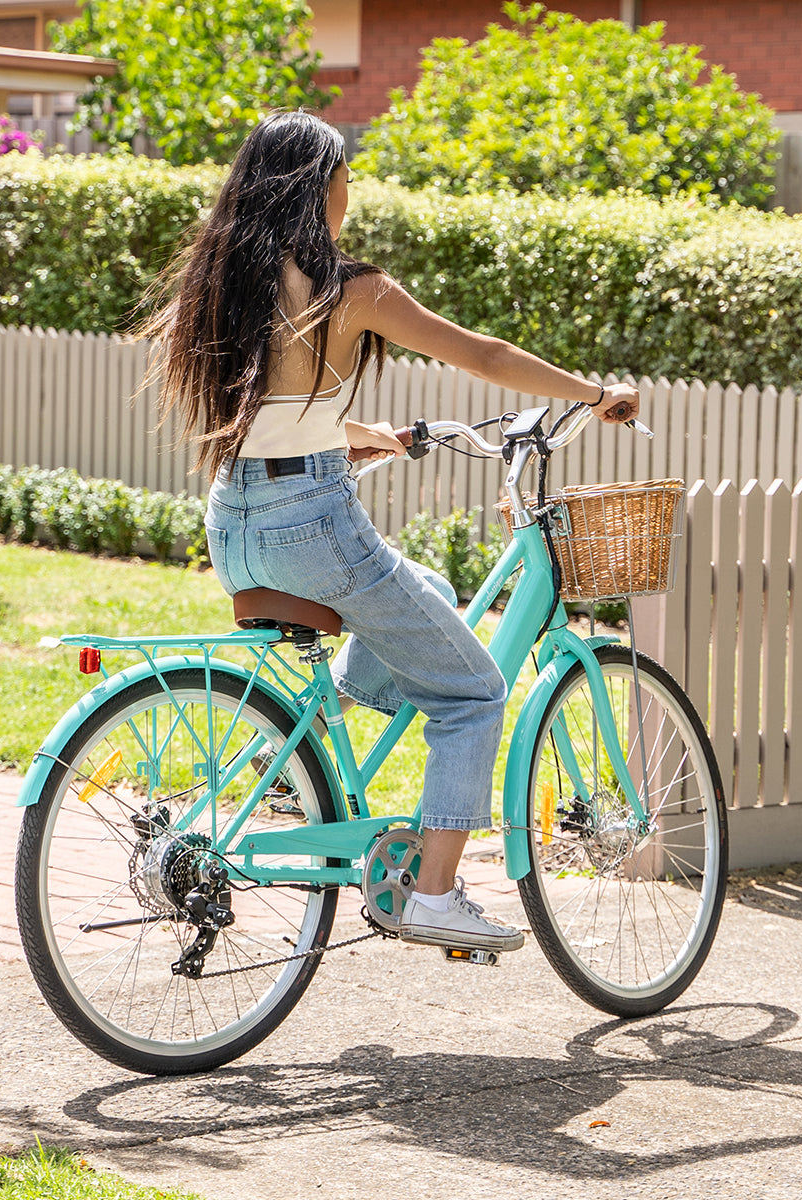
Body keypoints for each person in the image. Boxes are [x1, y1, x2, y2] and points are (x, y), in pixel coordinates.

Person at [139, 110, 639, 953]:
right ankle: (433, 895)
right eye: (344, 176)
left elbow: (275, 412)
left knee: (432, 594)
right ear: (322, 188)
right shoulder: (351, 289)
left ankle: (292, 764)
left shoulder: (226, 279)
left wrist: (357, 432)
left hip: (234, 521)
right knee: (473, 692)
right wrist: (593, 394)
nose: (349, 192)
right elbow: (479, 354)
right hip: (312, 524)